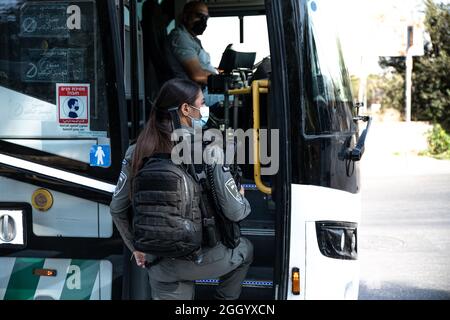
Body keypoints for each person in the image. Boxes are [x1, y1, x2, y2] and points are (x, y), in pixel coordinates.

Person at [110, 78, 253, 300]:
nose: (204, 109)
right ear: (186, 109)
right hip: (208, 258)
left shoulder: (136, 151)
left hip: (161, 263)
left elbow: (117, 209)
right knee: (246, 250)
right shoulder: (209, 149)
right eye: (202, 103)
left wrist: (137, 248)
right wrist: (241, 199)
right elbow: (234, 211)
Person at [165, 1, 224, 107]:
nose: (203, 21)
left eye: (206, 18)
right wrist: (224, 80)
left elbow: (202, 67)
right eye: (199, 16)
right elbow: (197, 76)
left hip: (203, 90)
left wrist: (216, 71)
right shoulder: (181, 38)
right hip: (194, 95)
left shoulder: (193, 39)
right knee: (244, 96)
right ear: (186, 16)